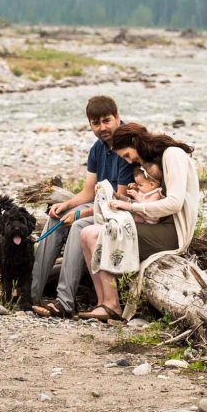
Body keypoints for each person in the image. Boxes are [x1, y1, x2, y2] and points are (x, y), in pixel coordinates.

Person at [78, 123, 201, 321]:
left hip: (173, 232)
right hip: (156, 225)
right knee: (85, 234)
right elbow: (153, 199)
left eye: (127, 155)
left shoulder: (173, 154)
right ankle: (102, 302)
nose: (129, 161)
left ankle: (112, 305)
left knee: (95, 233)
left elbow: (174, 203)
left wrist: (131, 207)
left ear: (135, 142)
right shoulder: (155, 161)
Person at [33, 95, 134, 317]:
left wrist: (80, 214)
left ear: (117, 117)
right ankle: (31, 292)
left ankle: (65, 302)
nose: (102, 127)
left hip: (121, 211)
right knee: (56, 217)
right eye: (96, 123)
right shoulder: (97, 148)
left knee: (78, 225)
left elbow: (119, 201)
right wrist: (66, 204)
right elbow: (89, 191)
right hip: (101, 204)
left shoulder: (127, 145)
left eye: (106, 121)